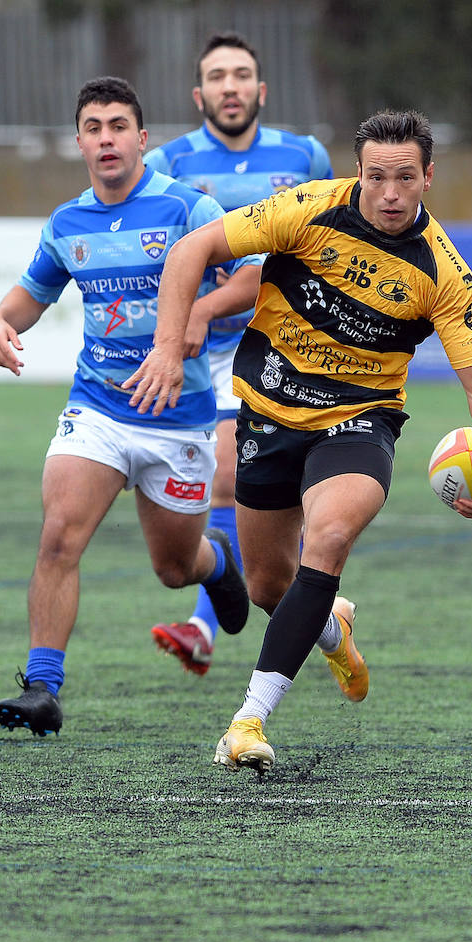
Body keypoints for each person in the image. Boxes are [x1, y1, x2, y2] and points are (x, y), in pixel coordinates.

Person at [123, 108, 472, 772]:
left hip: (360, 422)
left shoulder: (444, 274)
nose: (391, 193)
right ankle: (330, 628)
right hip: (268, 414)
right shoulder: (308, 208)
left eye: (406, 178)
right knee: (267, 586)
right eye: (377, 178)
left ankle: (248, 721)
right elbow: (190, 250)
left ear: (429, 176)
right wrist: (171, 348)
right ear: (359, 173)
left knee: (331, 537)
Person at [0, 76, 260, 736]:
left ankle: (215, 562)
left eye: (117, 126)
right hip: (98, 409)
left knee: (171, 568)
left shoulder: (186, 209)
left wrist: (200, 313)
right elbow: (31, 297)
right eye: (93, 128)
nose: (105, 138)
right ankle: (42, 687)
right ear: (79, 142)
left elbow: (252, 279)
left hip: (179, 419)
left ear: (141, 140)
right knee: (59, 537)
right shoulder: (67, 223)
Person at [144, 31, 333, 676]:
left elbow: (333, 243)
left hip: (292, 344)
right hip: (214, 352)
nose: (231, 86)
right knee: (228, 478)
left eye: (242, 74)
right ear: (200, 94)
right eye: (218, 77)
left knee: (271, 491)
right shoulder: (169, 162)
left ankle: (231, 620)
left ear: (261, 89)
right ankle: (239, 619)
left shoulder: (305, 156)